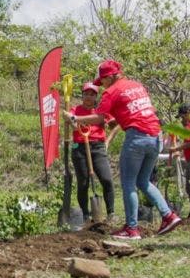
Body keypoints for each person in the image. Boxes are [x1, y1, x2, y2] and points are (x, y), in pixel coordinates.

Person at [70, 60, 182, 239]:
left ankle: (131, 228)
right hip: (155, 136)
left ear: (109, 77)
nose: (102, 85)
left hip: (137, 138)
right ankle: (169, 215)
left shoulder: (111, 91)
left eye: (102, 81)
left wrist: (77, 119)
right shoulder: (137, 85)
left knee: (128, 183)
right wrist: (117, 119)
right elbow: (131, 110)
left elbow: (100, 118)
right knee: (144, 181)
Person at [69, 82, 116, 222]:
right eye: (86, 94)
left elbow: (115, 125)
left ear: (96, 97)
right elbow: (70, 121)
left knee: (107, 179)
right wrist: (75, 125)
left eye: (92, 94)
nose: (88, 97)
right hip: (80, 147)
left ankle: (111, 213)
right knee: (83, 183)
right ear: (82, 95)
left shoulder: (101, 112)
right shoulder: (74, 109)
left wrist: (107, 141)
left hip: (98, 147)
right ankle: (85, 214)